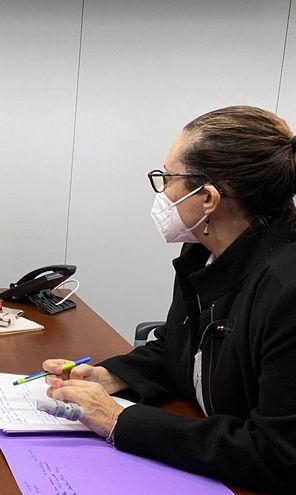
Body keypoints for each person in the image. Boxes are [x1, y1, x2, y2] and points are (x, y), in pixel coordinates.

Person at [42, 106, 296, 492]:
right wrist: (109, 376)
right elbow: (181, 350)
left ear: (207, 198)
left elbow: (277, 454)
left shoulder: (286, 289)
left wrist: (116, 420)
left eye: (167, 178)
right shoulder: (204, 257)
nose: (163, 193)